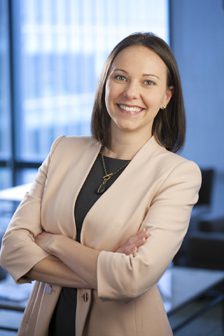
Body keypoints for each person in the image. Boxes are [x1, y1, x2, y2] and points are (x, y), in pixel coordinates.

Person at [0, 32, 201, 336]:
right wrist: (108, 272)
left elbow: (134, 279)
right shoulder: (63, 149)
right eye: (120, 77)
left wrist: (55, 243)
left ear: (166, 97)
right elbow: (12, 250)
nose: (131, 92)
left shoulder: (178, 174)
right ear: (105, 84)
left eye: (148, 82)